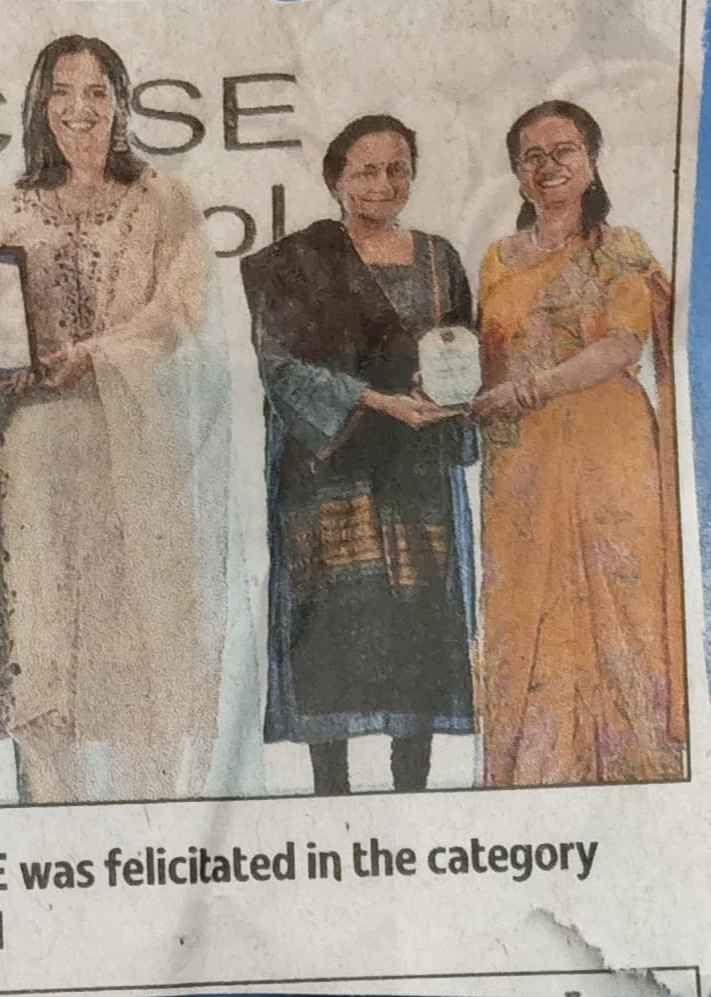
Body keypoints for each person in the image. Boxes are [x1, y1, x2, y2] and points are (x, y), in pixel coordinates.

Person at [0, 35, 241, 804]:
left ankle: (145, 817)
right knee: (45, 620)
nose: (79, 109)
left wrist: (94, 354)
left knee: (136, 621)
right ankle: (53, 813)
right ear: (40, 105)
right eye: (62, 92)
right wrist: (0, 361)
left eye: (97, 92)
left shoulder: (164, 200)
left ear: (122, 103)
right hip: (38, 445)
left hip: (139, 441)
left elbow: (183, 313)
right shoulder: (2, 209)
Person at [241, 115, 475, 796]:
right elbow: (279, 365)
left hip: (415, 466)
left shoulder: (439, 258)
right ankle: (330, 794)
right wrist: (373, 398)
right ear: (336, 180)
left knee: (417, 616)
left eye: (397, 168)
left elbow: (464, 346)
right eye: (366, 170)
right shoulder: (298, 261)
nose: (383, 183)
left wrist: (446, 391)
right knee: (332, 620)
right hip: (327, 468)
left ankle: (413, 790)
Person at [471, 100, 686, 786]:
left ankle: (634, 775)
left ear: (591, 162)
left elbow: (621, 346)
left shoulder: (620, 249)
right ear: (516, 173)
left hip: (608, 449)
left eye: (563, 151)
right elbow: (488, 359)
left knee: (620, 600)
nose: (548, 167)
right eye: (531, 157)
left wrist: (530, 390)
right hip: (522, 463)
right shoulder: (498, 259)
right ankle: (534, 779)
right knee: (523, 614)